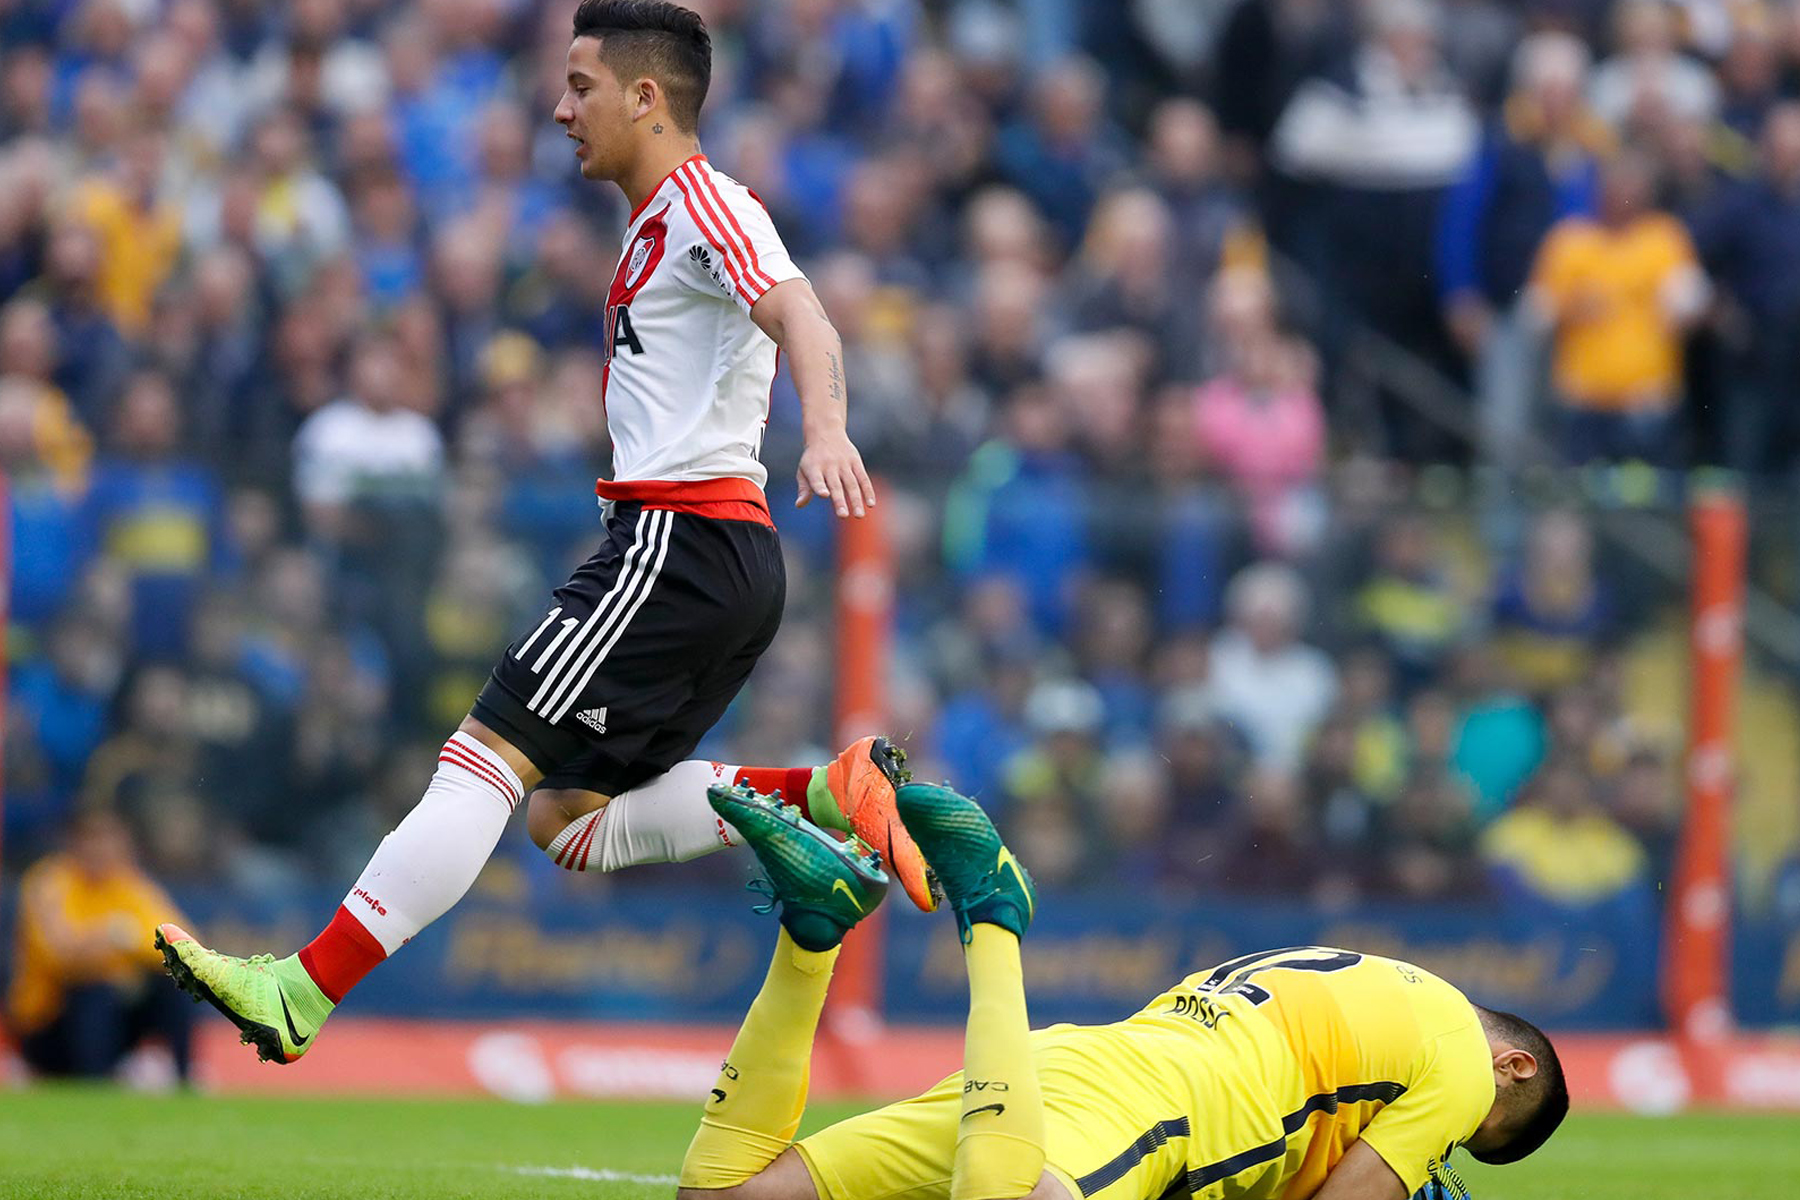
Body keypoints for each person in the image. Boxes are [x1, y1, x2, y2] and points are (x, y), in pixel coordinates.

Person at [154, 0, 935, 1066]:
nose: (561, 109)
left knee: (485, 756)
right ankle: (822, 792)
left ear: (645, 96)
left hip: (677, 543)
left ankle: (302, 986)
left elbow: (805, 312)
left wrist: (831, 431)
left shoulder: (706, 203)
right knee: (566, 820)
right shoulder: (659, 218)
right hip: (719, 558)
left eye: (581, 87)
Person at [682, 780, 1567, 1200]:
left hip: (1070, 1067)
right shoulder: (1461, 1060)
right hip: (1173, 1110)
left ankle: (810, 936)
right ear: (1514, 1066)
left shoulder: (1384, 982)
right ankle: (994, 917)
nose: (1439, 1150)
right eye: (1469, 1136)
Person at [7, 810, 193, 1083]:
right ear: (74, 844)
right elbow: (60, 955)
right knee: (95, 991)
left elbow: (185, 948)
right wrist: (113, 940)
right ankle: (95, 1083)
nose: (100, 849)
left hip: (113, 1015)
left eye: (107, 840)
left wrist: (118, 939)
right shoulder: (49, 883)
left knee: (173, 983)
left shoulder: (129, 885)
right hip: (46, 1023)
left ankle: (185, 1077)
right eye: (91, 840)